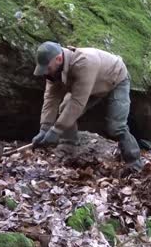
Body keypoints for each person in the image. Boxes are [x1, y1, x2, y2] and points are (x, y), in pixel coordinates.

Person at [31, 41, 143, 173]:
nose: (46, 73)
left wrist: (56, 131)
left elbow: (77, 103)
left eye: (48, 68)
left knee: (116, 127)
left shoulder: (84, 62)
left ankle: (135, 163)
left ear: (59, 59)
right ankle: (67, 147)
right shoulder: (53, 72)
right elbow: (51, 99)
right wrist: (44, 128)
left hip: (115, 80)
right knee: (64, 108)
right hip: (90, 87)